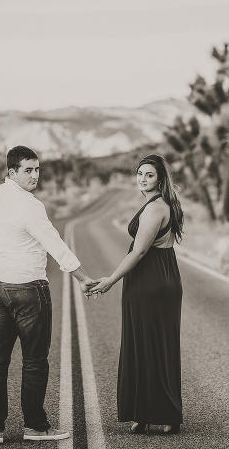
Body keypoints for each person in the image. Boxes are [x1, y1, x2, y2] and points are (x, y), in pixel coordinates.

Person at [0, 146, 98, 445]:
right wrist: (83, 278)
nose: (35, 175)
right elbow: (55, 244)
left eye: (37, 169)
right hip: (28, 289)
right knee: (34, 360)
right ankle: (36, 427)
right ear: (12, 172)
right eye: (28, 170)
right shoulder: (30, 206)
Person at [89, 154, 185, 435]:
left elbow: (141, 251)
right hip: (157, 279)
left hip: (151, 282)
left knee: (151, 346)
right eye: (139, 173)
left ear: (160, 179)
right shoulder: (158, 204)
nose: (142, 179)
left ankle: (165, 414)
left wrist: (111, 280)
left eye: (149, 175)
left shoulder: (156, 209)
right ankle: (144, 414)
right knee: (147, 345)